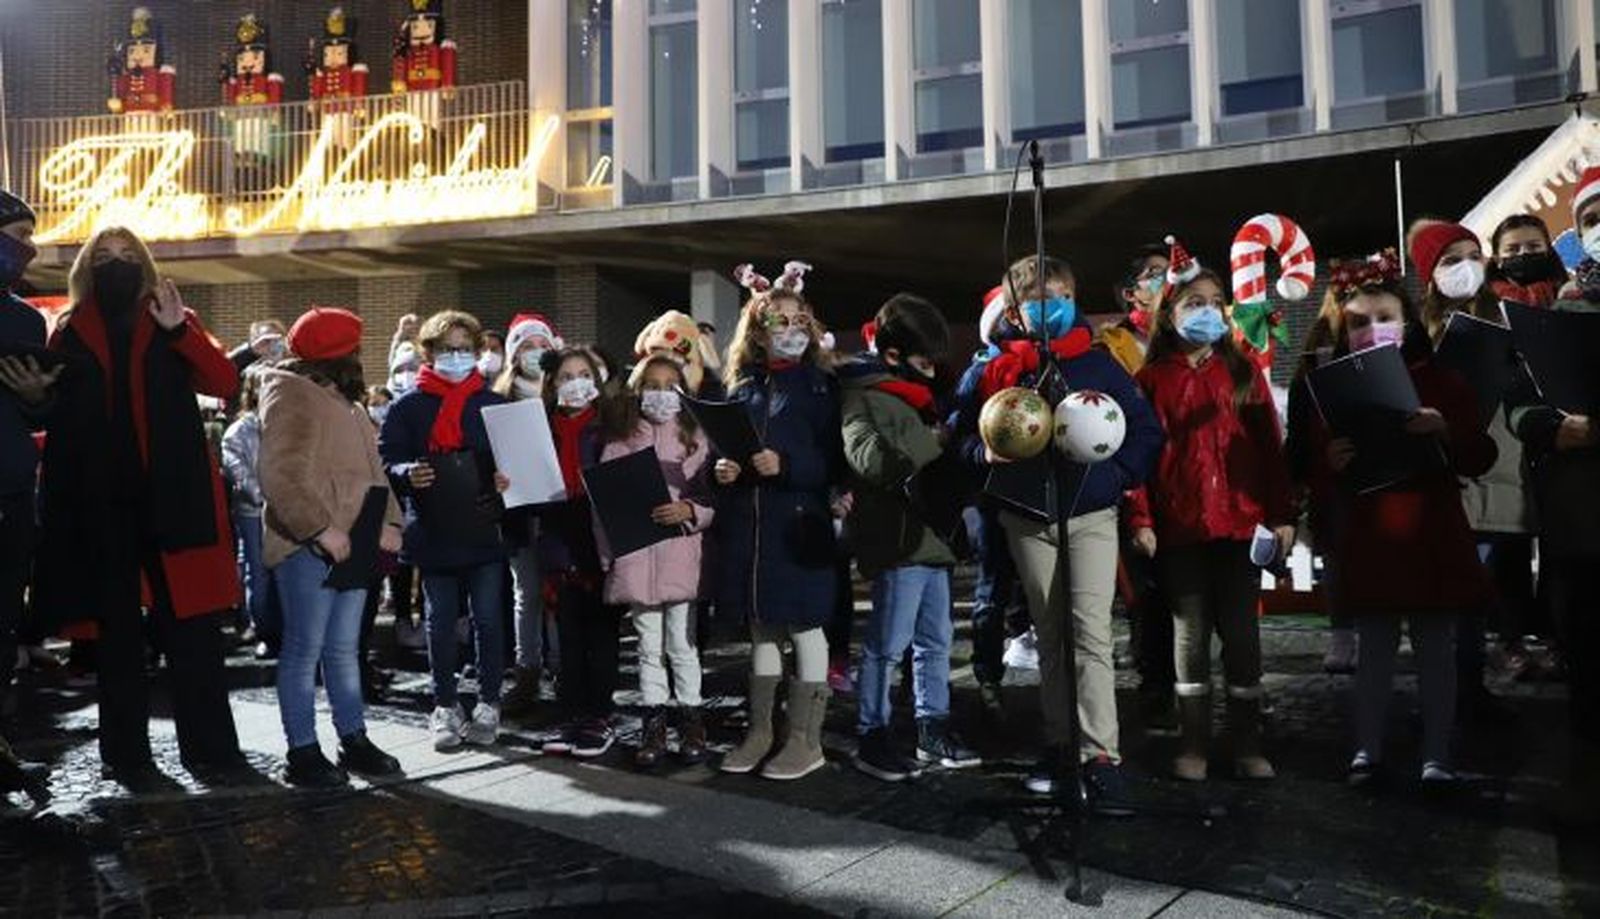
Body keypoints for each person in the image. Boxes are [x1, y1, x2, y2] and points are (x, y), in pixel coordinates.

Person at [34, 226, 245, 788]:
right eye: (104, 256)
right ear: (86, 268)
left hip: (173, 497)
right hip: (102, 504)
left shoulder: (172, 317)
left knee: (193, 632)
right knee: (117, 639)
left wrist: (180, 332)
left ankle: (213, 751)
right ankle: (127, 757)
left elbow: (224, 381)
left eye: (128, 255)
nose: (116, 264)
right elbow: (51, 410)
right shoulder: (69, 329)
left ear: (146, 264)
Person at [951, 254, 1163, 813]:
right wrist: (984, 455)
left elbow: (1145, 431)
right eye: (1039, 299)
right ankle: (1061, 745)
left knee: (1089, 632)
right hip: (1025, 519)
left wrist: (1116, 478)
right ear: (1014, 312)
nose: (1055, 306)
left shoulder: (1098, 364)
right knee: (1049, 636)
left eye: (1063, 295)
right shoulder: (993, 371)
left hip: (1090, 516)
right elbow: (957, 438)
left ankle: (1101, 755)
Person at [1313, 250, 1495, 787]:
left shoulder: (1442, 381)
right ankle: (1367, 750)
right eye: (1359, 322)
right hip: (1372, 535)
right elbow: (1315, 466)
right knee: (1374, 651)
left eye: (1384, 317)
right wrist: (1330, 462)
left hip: (1431, 529)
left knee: (1437, 650)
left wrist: (1445, 429)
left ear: (1408, 321)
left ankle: (1437, 755)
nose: (1373, 329)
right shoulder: (1331, 388)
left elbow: (1479, 455)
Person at [1125, 263, 1293, 781]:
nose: (1207, 312)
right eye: (1193, 303)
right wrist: (1141, 518)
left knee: (1243, 640)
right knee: (1189, 640)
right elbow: (1136, 459)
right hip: (1179, 530)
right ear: (1168, 315)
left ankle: (1247, 745)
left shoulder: (1242, 373)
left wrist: (1281, 515)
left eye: (1215, 302)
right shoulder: (1150, 380)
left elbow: (1271, 452)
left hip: (1240, 529)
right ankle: (1193, 743)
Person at [259, 307, 405, 787]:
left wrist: (390, 523)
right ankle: (302, 749)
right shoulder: (292, 394)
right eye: (355, 349)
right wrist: (320, 529)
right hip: (311, 547)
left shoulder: (350, 405)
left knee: (343, 649)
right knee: (305, 649)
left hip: (354, 541)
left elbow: (374, 472)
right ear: (341, 354)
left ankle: (353, 737)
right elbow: (280, 473)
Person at [840, 293, 980, 781]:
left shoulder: (919, 397)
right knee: (887, 644)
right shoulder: (863, 395)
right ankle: (872, 733)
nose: (932, 371)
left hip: (933, 537)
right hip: (899, 540)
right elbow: (872, 462)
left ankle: (931, 727)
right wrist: (933, 440)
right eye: (923, 362)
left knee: (935, 642)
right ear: (894, 354)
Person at [715, 262, 843, 782]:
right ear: (757, 331)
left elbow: (835, 460)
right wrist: (724, 469)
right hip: (752, 528)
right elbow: (725, 447)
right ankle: (761, 731)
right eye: (778, 321)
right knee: (763, 627)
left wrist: (788, 466)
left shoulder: (822, 387)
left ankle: (805, 739)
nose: (790, 330)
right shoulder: (742, 388)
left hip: (800, 525)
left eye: (798, 321)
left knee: (806, 626)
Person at [379, 310, 511, 752]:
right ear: (429, 353)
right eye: (447, 349)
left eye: (465, 349)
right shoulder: (408, 406)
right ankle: (445, 704)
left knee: (488, 620)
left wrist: (505, 480)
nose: (456, 357)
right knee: (438, 623)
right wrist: (406, 472)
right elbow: (386, 459)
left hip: (484, 527)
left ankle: (489, 701)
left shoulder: (493, 405)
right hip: (433, 528)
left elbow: (514, 461)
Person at [1409, 219, 1517, 716]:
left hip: (1494, 473)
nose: (1466, 268)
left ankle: (1470, 686)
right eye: (1451, 260)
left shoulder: (1506, 320)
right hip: (1439, 478)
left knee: (1476, 590)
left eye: (1473, 256)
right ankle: (1444, 691)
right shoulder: (1417, 333)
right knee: (1442, 595)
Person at [1508, 165, 1600, 743]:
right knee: (1587, 648)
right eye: (1591, 219)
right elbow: (1521, 401)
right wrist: (1550, 427)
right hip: (1583, 516)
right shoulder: (1559, 311)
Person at [599, 350, 716, 768]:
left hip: (681, 556)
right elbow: (604, 504)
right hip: (635, 559)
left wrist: (690, 511)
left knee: (682, 644)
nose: (661, 394)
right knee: (648, 647)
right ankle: (654, 721)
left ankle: (691, 718)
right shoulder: (620, 439)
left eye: (670, 386)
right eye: (652, 386)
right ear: (638, 390)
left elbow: (713, 498)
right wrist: (608, 558)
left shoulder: (696, 437)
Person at [1098, 242, 1177, 724]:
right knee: (1145, 593)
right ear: (1132, 292)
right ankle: (1156, 685)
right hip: (1134, 485)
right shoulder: (1112, 348)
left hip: (1182, 481)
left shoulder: (1189, 338)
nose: (1167, 281)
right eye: (1156, 274)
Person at [949, 287, 1030, 707]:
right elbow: (957, 433)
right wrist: (982, 453)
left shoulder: (1051, 363)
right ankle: (987, 676)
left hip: (1039, 498)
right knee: (992, 587)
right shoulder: (981, 371)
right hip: (991, 495)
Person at [536, 347, 615, 757]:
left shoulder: (610, 427)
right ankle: (571, 713)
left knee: (601, 634)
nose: (576, 384)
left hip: (598, 539)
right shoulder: (540, 428)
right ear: (552, 384)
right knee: (566, 636)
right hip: (557, 537)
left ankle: (599, 716)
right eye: (566, 377)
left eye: (584, 374)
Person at [0, 191, 55, 714]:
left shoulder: (26, 321)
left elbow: (38, 414)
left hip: (12, 488)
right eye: (19, 236)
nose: (30, 249)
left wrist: (38, 397)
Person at [493, 312, 563, 716]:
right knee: (527, 593)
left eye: (542, 346)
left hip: (558, 511)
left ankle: (562, 666)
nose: (535, 353)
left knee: (559, 593)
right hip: (519, 512)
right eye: (526, 347)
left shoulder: (561, 396)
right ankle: (528, 669)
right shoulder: (500, 400)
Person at [1286, 289, 1359, 674]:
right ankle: (1343, 633)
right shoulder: (1317, 356)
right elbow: (1299, 422)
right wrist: (1297, 475)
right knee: (1337, 558)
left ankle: (1377, 633)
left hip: (1383, 472)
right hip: (1331, 474)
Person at [222, 367, 276, 648]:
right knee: (259, 571)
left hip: (288, 509)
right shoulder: (239, 430)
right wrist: (261, 496)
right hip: (254, 511)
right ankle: (262, 629)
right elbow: (237, 470)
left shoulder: (286, 422)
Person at [1488, 213, 1565, 309]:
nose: (1524, 252)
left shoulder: (1570, 294)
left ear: (1548, 251)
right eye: (1512, 249)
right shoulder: (1489, 308)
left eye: (1534, 246)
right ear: (1497, 260)